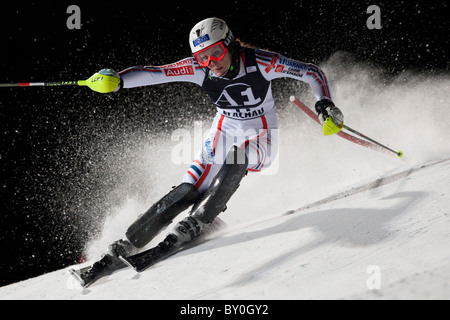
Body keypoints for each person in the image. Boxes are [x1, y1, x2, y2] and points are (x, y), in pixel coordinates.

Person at [88, 17, 344, 260]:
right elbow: (156, 73)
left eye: (216, 53)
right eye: (202, 57)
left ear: (230, 44)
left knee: (237, 156)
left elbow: (311, 73)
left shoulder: (261, 62)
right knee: (191, 186)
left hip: (261, 133)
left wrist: (325, 104)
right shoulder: (198, 69)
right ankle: (133, 240)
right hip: (225, 128)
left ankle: (201, 219)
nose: (211, 63)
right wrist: (118, 80)